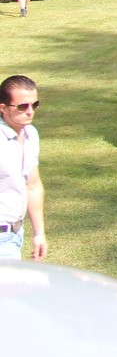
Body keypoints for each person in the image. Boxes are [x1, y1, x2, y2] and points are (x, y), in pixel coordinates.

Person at [0, 75, 45, 260]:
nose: (29, 111)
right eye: (22, 106)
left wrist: (39, 233)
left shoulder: (30, 134)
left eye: (34, 105)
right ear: (2, 108)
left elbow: (33, 185)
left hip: (14, 236)